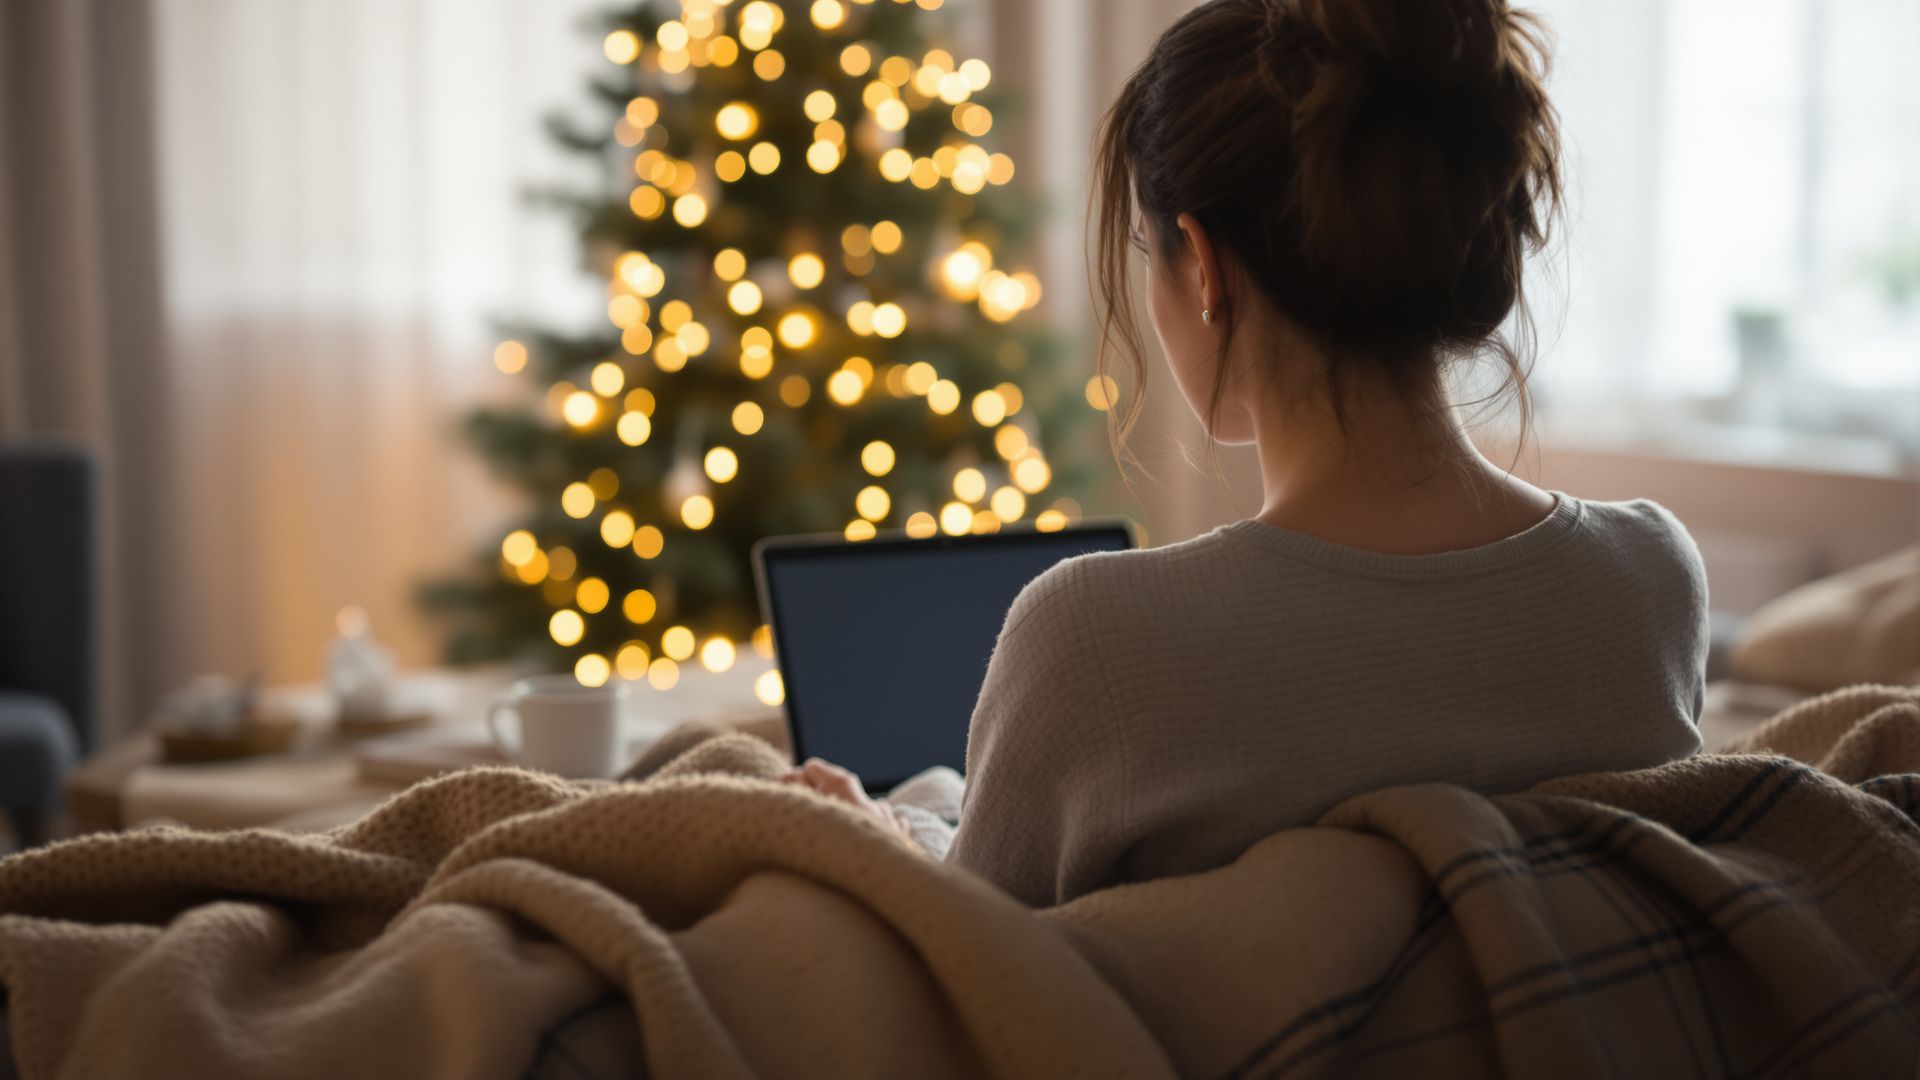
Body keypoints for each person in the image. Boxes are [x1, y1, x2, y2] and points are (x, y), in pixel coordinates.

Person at [786, 0, 1707, 907]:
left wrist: (881, 848)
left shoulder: (1096, 641)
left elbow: (976, 960)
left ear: (1203, 262)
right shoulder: (1652, 578)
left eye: (1152, 250)